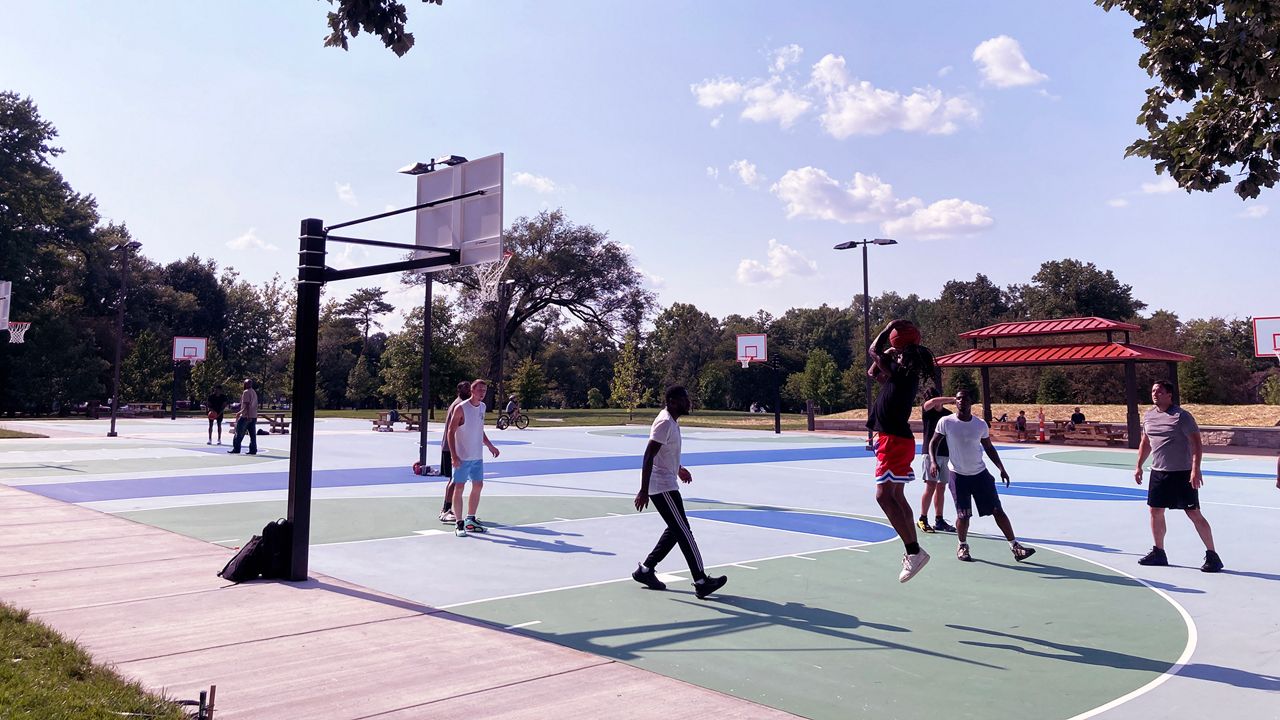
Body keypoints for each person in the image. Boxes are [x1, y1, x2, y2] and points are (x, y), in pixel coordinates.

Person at [631, 385, 728, 599]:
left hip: (666, 481)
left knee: (676, 529)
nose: (689, 402)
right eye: (685, 399)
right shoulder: (665, 422)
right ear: (673, 401)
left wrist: (679, 468)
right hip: (661, 485)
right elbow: (648, 456)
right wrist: (643, 490)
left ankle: (646, 570)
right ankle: (701, 580)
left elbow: (665, 453)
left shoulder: (671, 421)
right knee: (684, 531)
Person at [929, 389, 1036, 563]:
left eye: (965, 398)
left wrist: (1001, 468)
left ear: (971, 402)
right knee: (963, 515)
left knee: (997, 511)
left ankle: (1015, 547)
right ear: (955, 402)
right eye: (958, 399)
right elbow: (933, 442)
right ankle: (962, 545)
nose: (961, 401)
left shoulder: (979, 425)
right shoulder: (946, 422)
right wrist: (933, 462)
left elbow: (989, 447)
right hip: (958, 475)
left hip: (980, 475)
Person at [866, 319, 936, 583]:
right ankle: (914, 550)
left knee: (883, 497)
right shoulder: (902, 375)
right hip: (896, 439)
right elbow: (873, 372)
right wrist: (892, 351)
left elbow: (873, 351)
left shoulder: (903, 374)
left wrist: (887, 329)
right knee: (895, 496)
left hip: (893, 440)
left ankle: (913, 551)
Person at [1134, 380, 1222, 572]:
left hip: (1182, 474)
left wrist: (1195, 469)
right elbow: (1146, 442)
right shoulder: (1149, 416)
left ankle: (1213, 556)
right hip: (1158, 473)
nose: (1155, 393)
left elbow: (1196, 444)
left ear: (1169, 395)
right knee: (1155, 511)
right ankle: (1159, 552)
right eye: (1153, 390)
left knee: (1193, 513)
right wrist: (1139, 466)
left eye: (1159, 391)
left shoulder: (1182, 416)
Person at [446, 378, 500, 537]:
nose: (482, 393)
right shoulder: (461, 408)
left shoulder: (482, 407)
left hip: (477, 456)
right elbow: (450, 431)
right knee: (459, 487)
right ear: (472, 390)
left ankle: (470, 520)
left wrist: (490, 445)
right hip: (462, 457)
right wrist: (454, 455)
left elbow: (479, 429)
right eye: (479, 390)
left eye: (484, 390)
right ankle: (459, 523)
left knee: (478, 485)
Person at [918, 388, 957, 534]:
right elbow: (933, 402)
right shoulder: (927, 411)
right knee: (931, 486)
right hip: (930, 454)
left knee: (941, 487)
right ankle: (923, 518)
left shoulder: (947, 415)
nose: (932, 401)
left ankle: (939, 520)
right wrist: (954, 398)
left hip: (945, 454)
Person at [438, 380, 471, 523]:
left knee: (455, 479)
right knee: (454, 479)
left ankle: (447, 509)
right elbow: (454, 430)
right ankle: (445, 510)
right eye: (467, 388)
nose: (469, 390)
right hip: (452, 448)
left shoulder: (460, 404)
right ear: (460, 390)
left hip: (454, 447)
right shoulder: (459, 405)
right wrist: (455, 452)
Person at [228, 379, 258, 455]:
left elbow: (247, 405)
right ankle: (253, 449)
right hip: (254, 415)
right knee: (252, 434)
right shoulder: (254, 392)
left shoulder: (246, 392)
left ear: (246, 384)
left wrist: (244, 414)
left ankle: (236, 448)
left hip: (246, 416)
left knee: (238, 432)